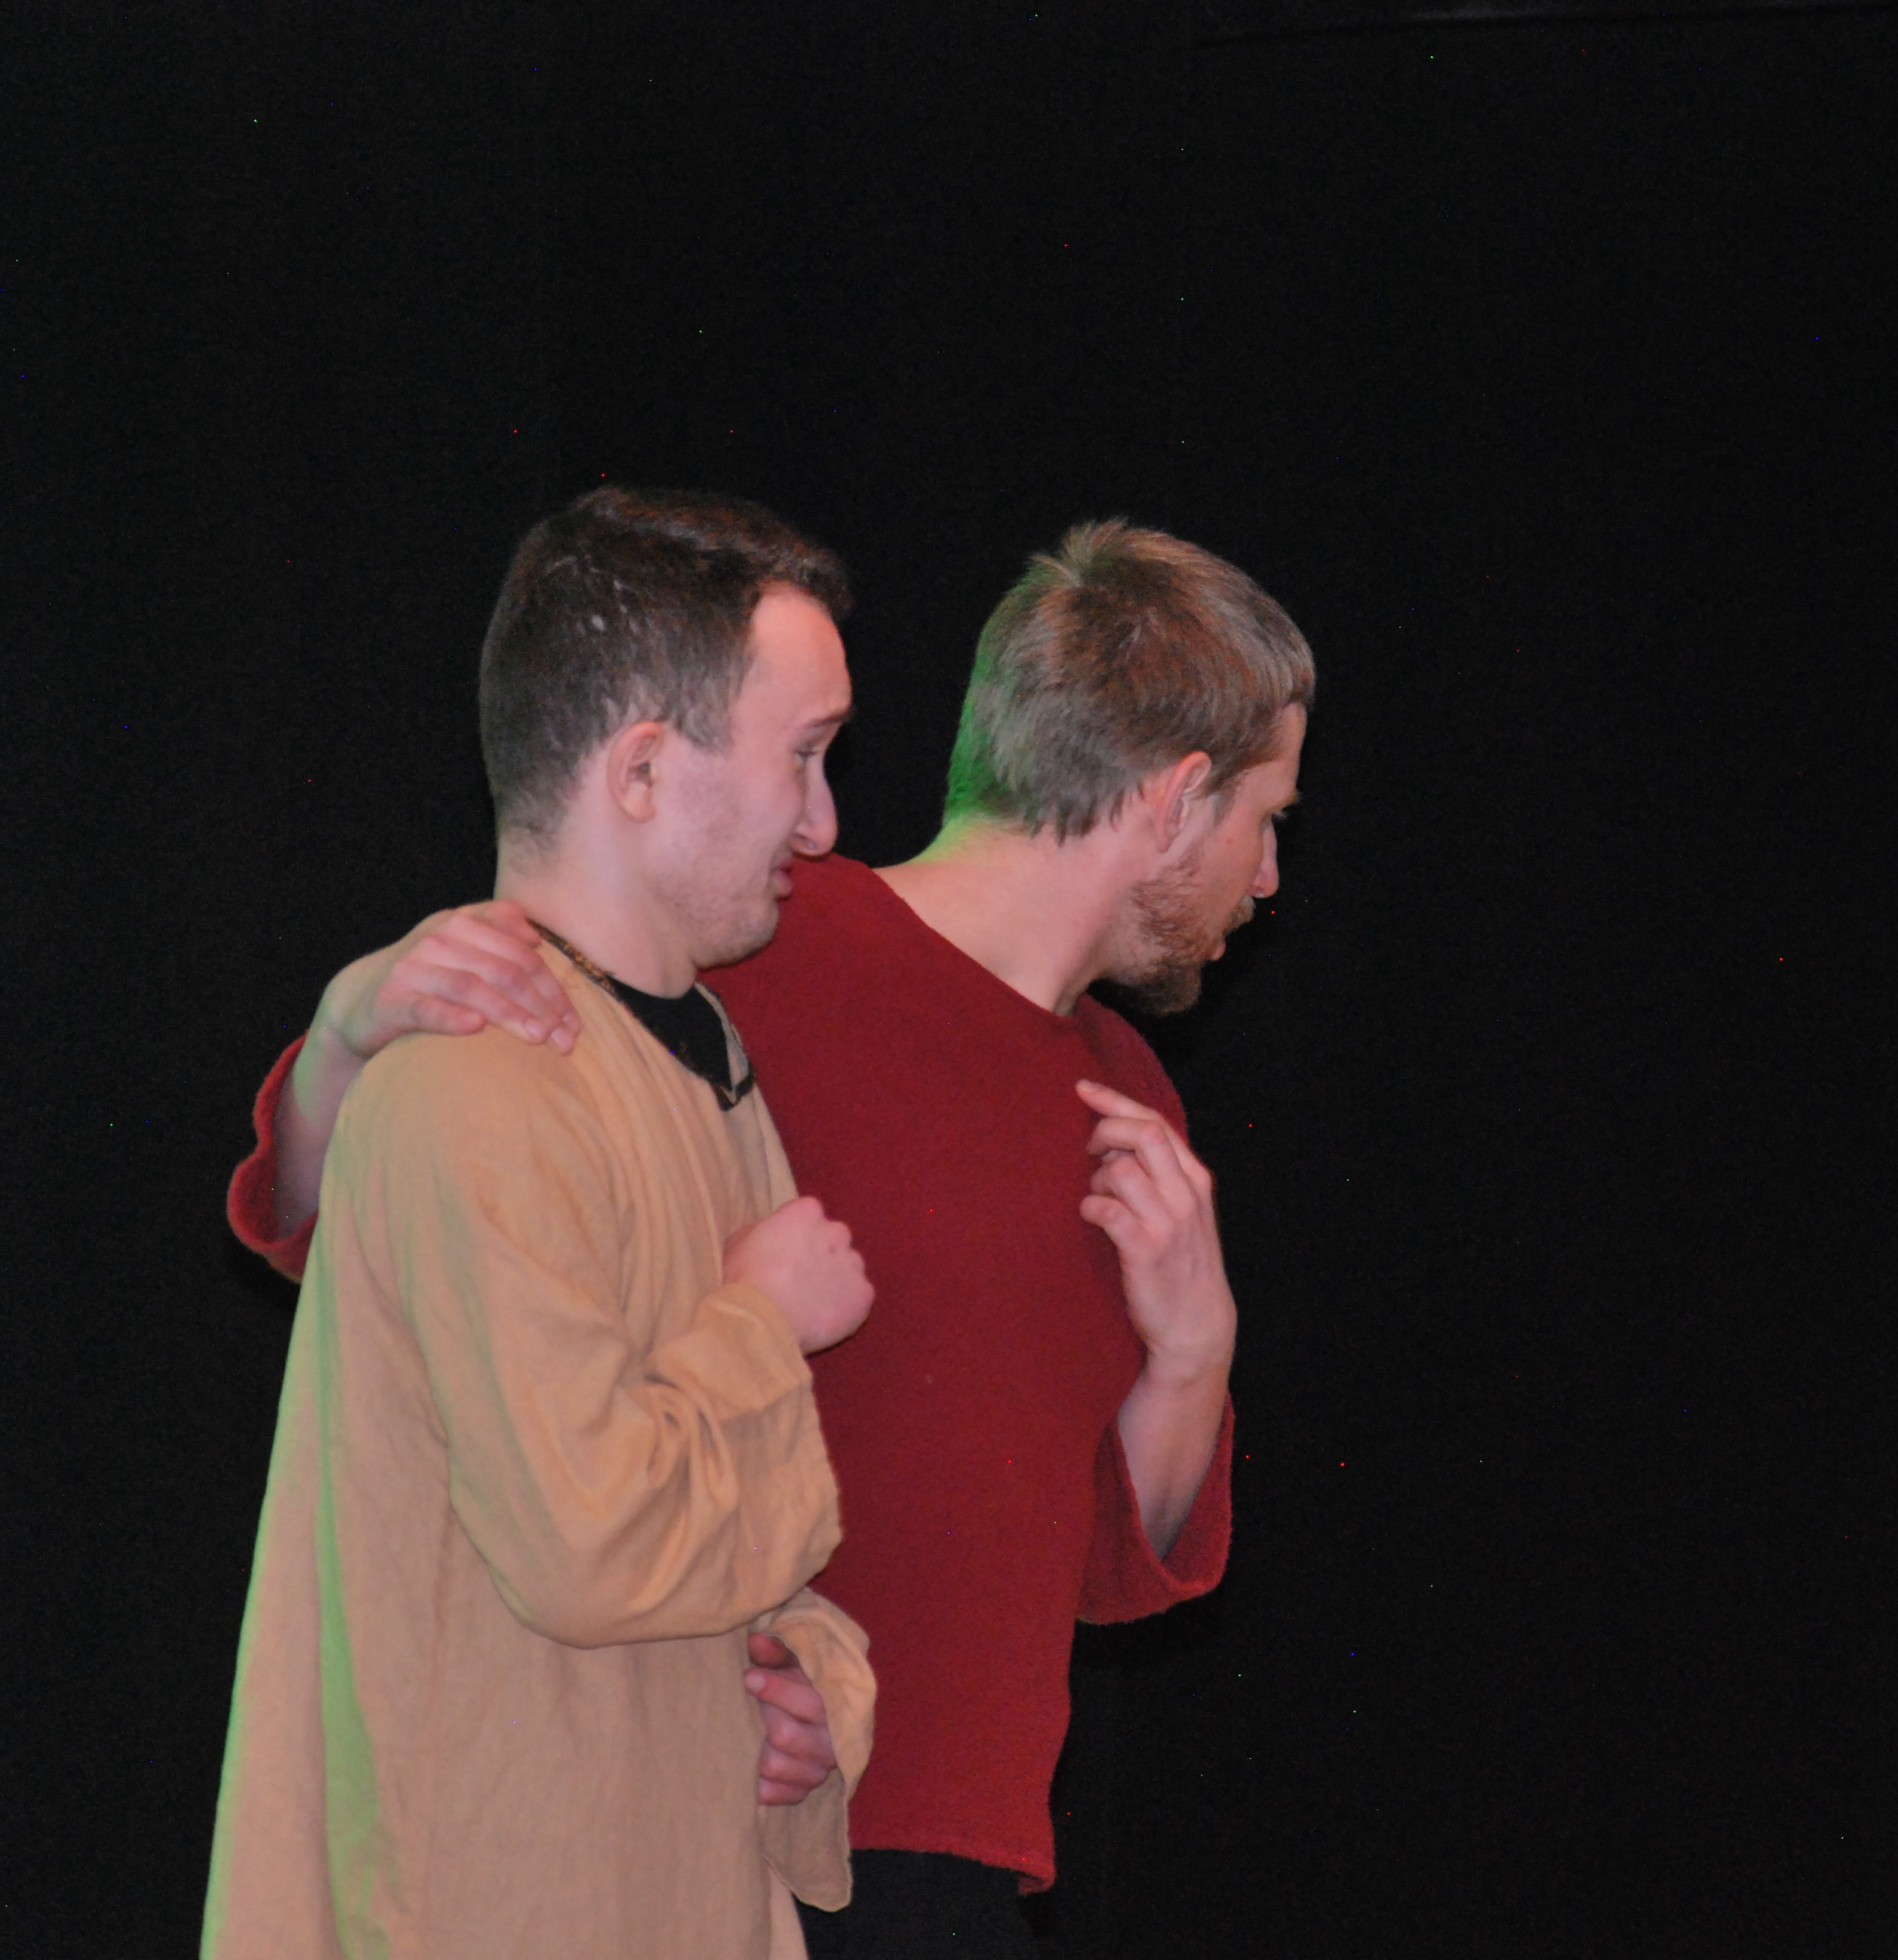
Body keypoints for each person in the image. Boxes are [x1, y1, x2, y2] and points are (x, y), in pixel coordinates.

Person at [229, 519, 1313, 1956]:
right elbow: (396, 1235)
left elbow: (1102, 1571)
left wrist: (1193, 1353)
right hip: (702, 1834)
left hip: (947, 1859)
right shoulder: (760, 947)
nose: (1269, 876)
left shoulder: (1126, 1097)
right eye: (1267, 818)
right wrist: (345, 1035)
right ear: (1177, 799)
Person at [203, 487, 885, 1960]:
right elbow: (592, 1545)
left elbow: (738, 1535)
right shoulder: (476, 1085)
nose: (826, 822)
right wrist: (761, 1324)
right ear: (640, 769)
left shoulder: (699, 1062)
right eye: (803, 756)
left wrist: (812, 1695)